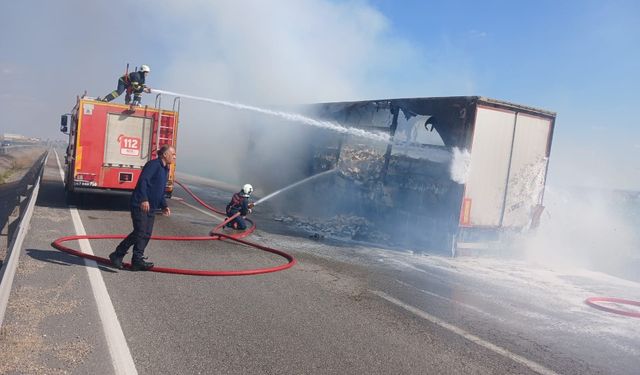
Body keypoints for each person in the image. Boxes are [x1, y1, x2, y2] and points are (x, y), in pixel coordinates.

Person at [109, 144, 176, 271]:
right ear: (165, 154)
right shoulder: (153, 165)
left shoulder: (165, 169)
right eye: (173, 154)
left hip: (152, 207)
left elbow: (160, 190)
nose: (174, 157)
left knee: (146, 234)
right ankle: (117, 254)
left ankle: (137, 261)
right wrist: (144, 199)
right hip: (141, 205)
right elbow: (143, 181)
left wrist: (164, 205)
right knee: (139, 232)